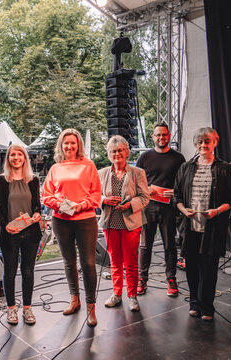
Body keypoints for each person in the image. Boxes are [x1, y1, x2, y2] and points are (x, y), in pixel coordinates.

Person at [174, 127, 231, 321]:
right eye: (199, 142)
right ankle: (194, 303)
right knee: (191, 268)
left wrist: (216, 211)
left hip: (212, 229)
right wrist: (184, 210)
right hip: (190, 228)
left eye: (207, 141)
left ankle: (207, 307)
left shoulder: (224, 168)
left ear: (215, 143)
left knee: (208, 270)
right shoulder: (186, 167)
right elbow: (176, 195)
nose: (203, 145)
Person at [42, 128, 101, 327]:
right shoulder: (55, 168)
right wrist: (58, 204)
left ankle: (91, 307)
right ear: (61, 145)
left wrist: (80, 205)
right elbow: (46, 195)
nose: (69, 146)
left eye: (73, 143)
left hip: (85, 219)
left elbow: (95, 195)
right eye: (66, 143)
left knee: (88, 264)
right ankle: (74, 300)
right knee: (69, 262)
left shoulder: (88, 165)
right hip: (61, 220)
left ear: (78, 145)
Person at [0, 144, 42, 325]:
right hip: (10, 234)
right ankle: (11, 309)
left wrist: (37, 214)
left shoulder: (33, 180)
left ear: (25, 158)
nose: (16, 157)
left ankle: (27, 309)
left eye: (20, 154)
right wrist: (6, 226)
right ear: (8, 158)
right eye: (13, 155)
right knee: (10, 272)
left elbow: (37, 206)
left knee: (28, 271)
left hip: (30, 233)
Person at [98, 136, 150, 311]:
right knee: (114, 261)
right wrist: (104, 200)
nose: (117, 154)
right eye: (113, 151)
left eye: (120, 150)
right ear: (109, 154)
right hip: (110, 223)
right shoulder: (102, 173)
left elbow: (145, 197)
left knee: (131, 261)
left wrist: (130, 204)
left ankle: (132, 295)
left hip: (130, 223)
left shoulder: (138, 173)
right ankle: (117, 293)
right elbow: (95, 196)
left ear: (127, 152)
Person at [136, 123, 186, 296]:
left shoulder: (178, 158)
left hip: (169, 208)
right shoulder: (144, 157)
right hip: (148, 207)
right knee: (145, 246)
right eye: (158, 135)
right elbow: (135, 181)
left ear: (169, 136)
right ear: (153, 136)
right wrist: (146, 189)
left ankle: (171, 279)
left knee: (169, 245)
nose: (161, 138)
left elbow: (184, 183)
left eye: (164, 135)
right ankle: (142, 279)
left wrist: (175, 191)